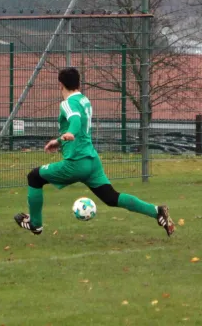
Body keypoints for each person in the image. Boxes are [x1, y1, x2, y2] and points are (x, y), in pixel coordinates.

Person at [14, 67, 175, 237]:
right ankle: (157, 211)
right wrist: (59, 140)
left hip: (75, 163)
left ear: (60, 84)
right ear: (79, 83)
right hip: (92, 161)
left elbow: (75, 121)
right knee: (112, 198)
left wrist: (70, 133)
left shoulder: (67, 103)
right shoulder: (84, 100)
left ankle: (35, 224)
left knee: (34, 177)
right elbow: (79, 126)